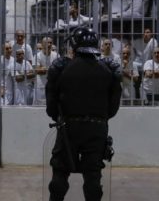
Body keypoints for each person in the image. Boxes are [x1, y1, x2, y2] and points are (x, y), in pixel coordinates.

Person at [46, 27, 122, 201]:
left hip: (69, 128)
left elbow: (51, 106)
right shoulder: (107, 71)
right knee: (93, 178)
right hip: (96, 128)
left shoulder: (63, 68)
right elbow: (113, 108)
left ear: (74, 45)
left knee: (60, 174)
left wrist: (58, 116)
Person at [34, 37, 59, 105]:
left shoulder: (56, 55)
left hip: (52, 85)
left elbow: (58, 70)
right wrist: (51, 68)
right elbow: (37, 70)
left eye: (50, 42)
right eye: (47, 42)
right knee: (39, 105)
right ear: (42, 44)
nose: (49, 44)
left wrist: (43, 68)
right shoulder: (37, 56)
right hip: (40, 85)